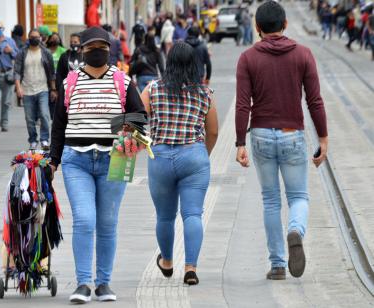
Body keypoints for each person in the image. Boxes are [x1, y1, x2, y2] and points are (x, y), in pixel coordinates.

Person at [49, 26, 146, 304]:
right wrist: (53, 161)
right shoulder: (70, 82)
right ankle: (83, 283)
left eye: (101, 47)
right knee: (84, 219)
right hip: (76, 161)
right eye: (90, 48)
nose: (96, 52)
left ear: (109, 49)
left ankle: (103, 283)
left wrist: (117, 130)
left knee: (107, 222)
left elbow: (138, 116)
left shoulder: (122, 81)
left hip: (113, 160)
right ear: (82, 52)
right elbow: (59, 125)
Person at [235, 1, 328, 281]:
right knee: (298, 196)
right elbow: (314, 100)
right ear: (285, 24)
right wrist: (323, 137)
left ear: (257, 28)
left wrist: (240, 143)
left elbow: (242, 105)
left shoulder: (248, 58)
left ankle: (277, 265)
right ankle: (296, 231)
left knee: (271, 201)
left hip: (261, 134)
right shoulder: (303, 54)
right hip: (292, 133)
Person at [139, 41, 218, 286]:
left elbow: (134, 123)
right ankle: (191, 268)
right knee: (193, 214)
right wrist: (202, 153)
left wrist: (143, 143)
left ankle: (168, 262)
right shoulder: (204, 93)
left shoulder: (152, 89)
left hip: (161, 157)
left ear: (169, 62)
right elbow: (213, 131)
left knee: (164, 216)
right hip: (193, 155)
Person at [14, 29, 56, 150]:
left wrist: (53, 89)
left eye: (37, 37)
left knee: (44, 115)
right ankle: (32, 140)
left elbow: (51, 73)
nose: (35, 39)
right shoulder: (22, 53)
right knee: (29, 118)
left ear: (41, 38)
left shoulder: (46, 53)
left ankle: (44, 140)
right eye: (32, 37)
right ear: (28, 38)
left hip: (43, 89)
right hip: (26, 89)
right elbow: (16, 71)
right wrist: (18, 88)